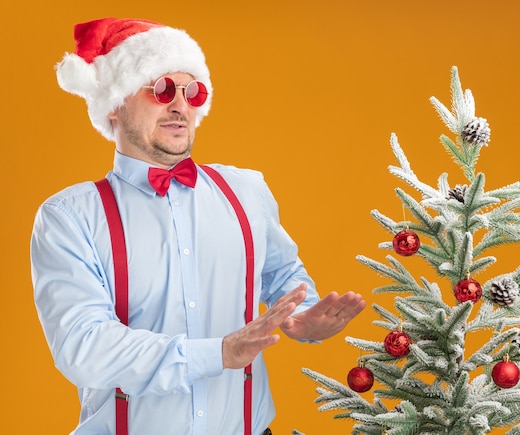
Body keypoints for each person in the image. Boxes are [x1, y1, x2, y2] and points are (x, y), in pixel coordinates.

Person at [31, 17, 366, 435]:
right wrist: (218, 353)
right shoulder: (69, 217)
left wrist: (300, 314)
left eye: (193, 92)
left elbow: (280, 274)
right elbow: (85, 347)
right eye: (162, 89)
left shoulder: (246, 190)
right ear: (114, 104)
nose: (180, 105)